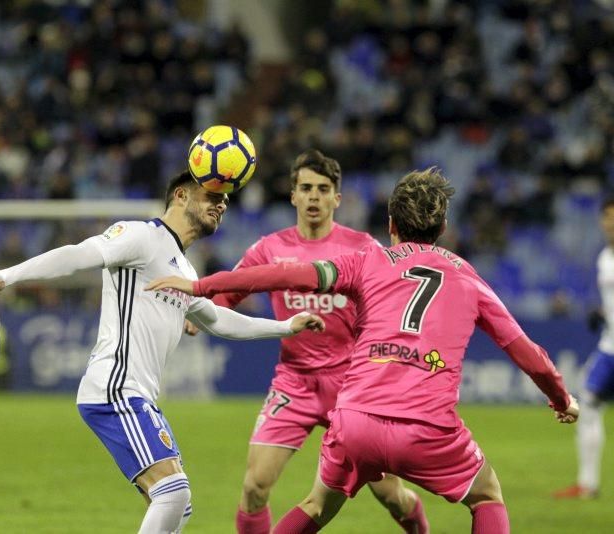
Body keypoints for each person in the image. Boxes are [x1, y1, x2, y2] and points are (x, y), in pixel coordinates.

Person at [146, 167, 580, 534]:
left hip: (354, 421)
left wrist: (202, 286)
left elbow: (283, 275)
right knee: (486, 495)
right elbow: (524, 349)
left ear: (391, 223)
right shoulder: (467, 277)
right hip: (428, 425)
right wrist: (561, 398)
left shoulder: (366, 260)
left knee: (317, 506)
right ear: (443, 228)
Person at [0, 171, 326, 534]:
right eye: (211, 195)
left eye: (225, 199)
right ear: (180, 196)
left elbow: (218, 320)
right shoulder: (141, 236)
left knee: (181, 506)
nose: (221, 204)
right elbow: (79, 254)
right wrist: (8, 275)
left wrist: (285, 327)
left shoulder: (184, 268)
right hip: (115, 388)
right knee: (173, 494)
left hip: (140, 396)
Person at [185, 149, 427, 533]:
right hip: (294, 382)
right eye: (306, 188)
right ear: (293, 195)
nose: (314, 197)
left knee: (389, 493)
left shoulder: (363, 248)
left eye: (323, 189)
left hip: (352, 387)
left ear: (337, 198)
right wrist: (199, 317)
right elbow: (230, 291)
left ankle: (418, 527)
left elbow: (396, 304)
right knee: (254, 486)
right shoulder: (269, 249)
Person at [554, 197, 614, 500]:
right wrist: (604, 315)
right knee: (587, 405)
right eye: (606, 217)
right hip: (609, 348)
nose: (609, 223)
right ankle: (587, 485)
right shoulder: (604, 257)